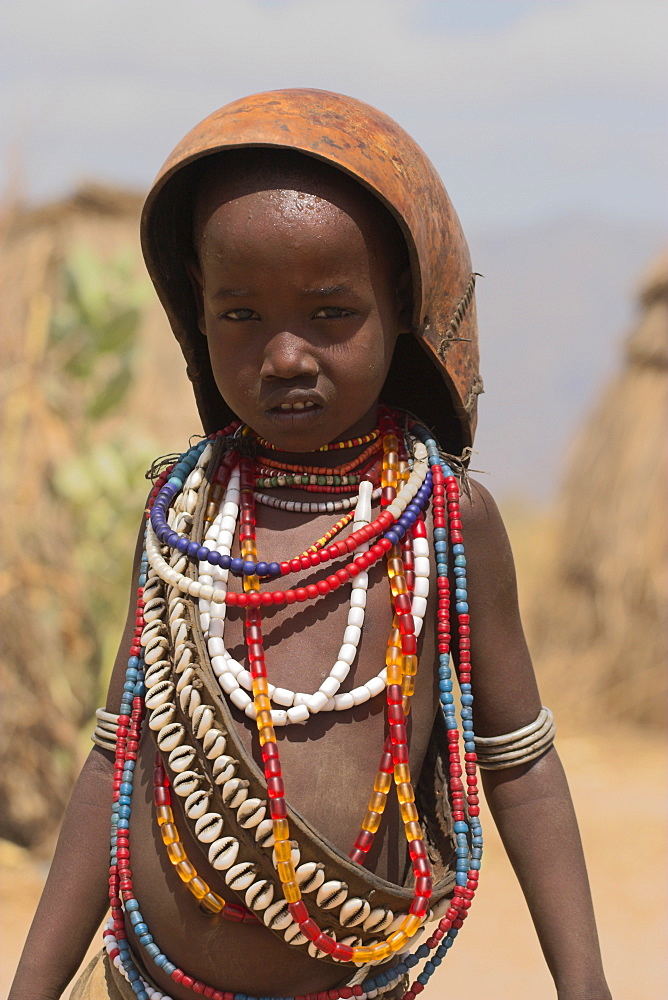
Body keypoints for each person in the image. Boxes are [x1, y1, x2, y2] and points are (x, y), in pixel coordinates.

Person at [9, 89, 611, 1000]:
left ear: (401, 305)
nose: (285, 356)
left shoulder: (446, 521)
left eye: (330, 313)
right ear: (197, 316)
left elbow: (520, 766)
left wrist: (587, 986)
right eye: (242, 316)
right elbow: (117, 753)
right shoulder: (182, 516)